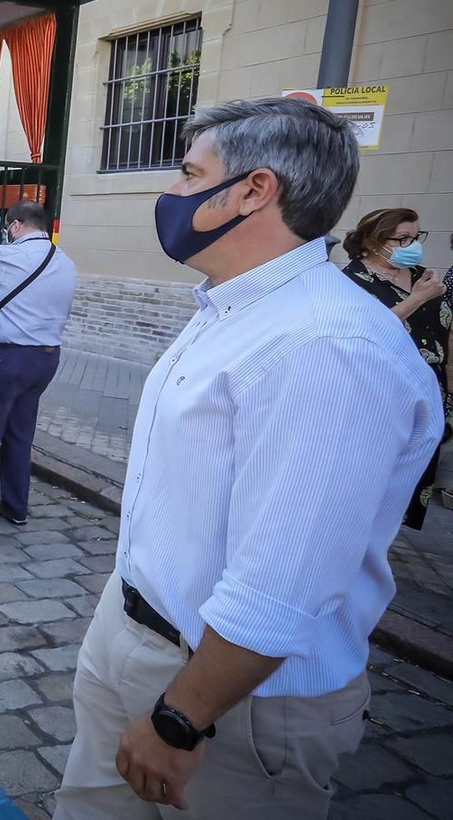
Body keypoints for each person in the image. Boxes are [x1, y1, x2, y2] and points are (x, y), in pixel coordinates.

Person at [54, 98, 441, 819]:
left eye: (189, 173)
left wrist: (180, 716)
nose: (171, 193)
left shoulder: (327, 347)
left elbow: (283, 583)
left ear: (255, 190)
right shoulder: (233, 309)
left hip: (230, 703)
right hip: (137, 634)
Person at [0, 200, 74, 528]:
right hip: (46, 359)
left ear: (16, 225)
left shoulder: (6, 257)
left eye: (8, 228)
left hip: (5, 358)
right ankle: (16, 507)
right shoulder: (65, 262)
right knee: (20, 434)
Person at [340, 207, 450, 529]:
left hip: (430, 393)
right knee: (376, 488)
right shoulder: (351, 281)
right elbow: (364, 332)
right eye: (403, 239)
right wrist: (416, 300)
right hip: (384, 397)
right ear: (374, 242)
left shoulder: (420, 274)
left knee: (410, 482)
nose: (413, 245)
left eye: (416, 237)